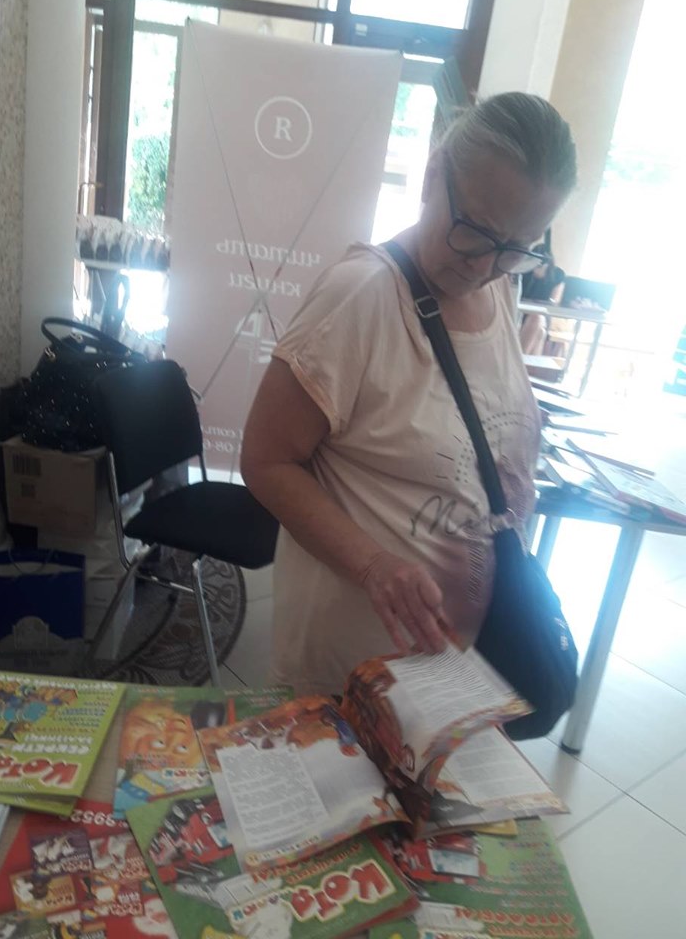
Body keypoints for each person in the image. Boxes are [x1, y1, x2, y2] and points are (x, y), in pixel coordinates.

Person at [241, 92, 577, 696]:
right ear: (432, 173)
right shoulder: (361, 296)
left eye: (517, 248)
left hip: (453, 670)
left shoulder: (498, 290)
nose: (484, 266)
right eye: (475, 231)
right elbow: (266, 461)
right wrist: (375, 566)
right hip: (349, 670)